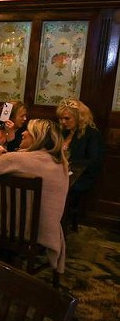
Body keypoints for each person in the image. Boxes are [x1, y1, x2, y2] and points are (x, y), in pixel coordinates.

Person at [0, 119, 69, 273]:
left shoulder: (17, 159)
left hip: (12, 229)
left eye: (27, 131)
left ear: (38, 137)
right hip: (46, 230)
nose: (22, 133)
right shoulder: (59, 161)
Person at [56, 98, 105, 230]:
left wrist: (69, 163)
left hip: (81, 176)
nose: (63, 122)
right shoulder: (62, 131)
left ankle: (58, 226)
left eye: (67, 118)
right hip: (60, 172)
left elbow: (94, 162)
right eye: (61, 118)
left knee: (57, 188)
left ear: (79, 117)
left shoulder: (92, 134)